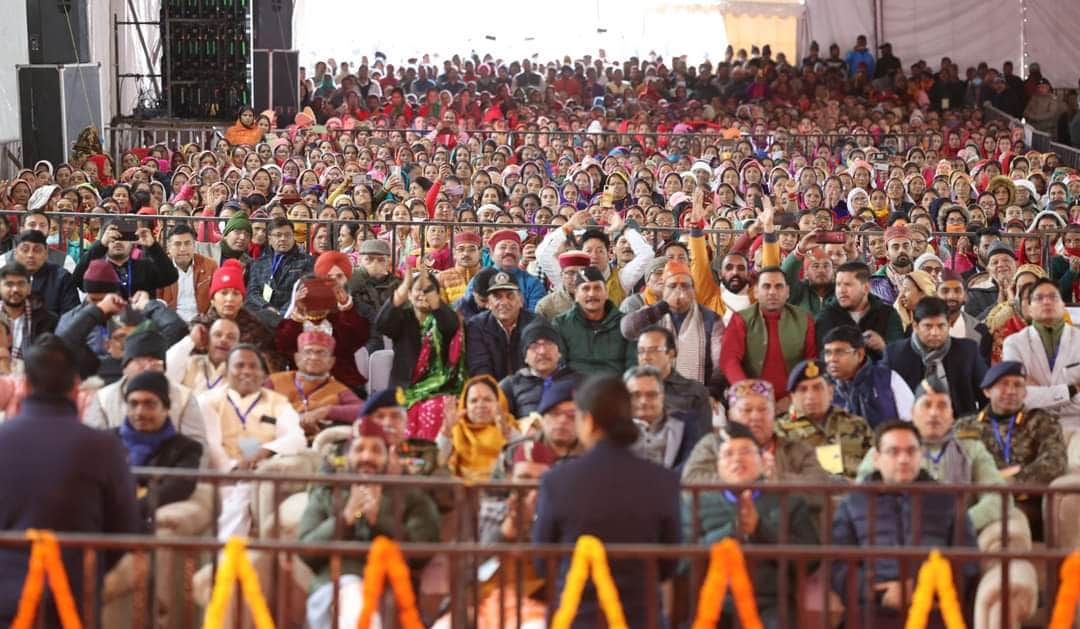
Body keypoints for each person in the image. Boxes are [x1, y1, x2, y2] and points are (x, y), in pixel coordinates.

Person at [0, 334, 140, 626]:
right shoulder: (103, 447)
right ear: (76, 389)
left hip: (7, 589)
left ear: (25, 386)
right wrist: (91, 568)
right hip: (76, 588)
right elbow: (125, 528)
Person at [532, 375, 680, 628]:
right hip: (642, 619)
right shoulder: (663, 480)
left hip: (578, 618)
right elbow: (669, 564)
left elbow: (543, 562)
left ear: (588, 421)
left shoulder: (557, 481)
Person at [298, 416, 439, 629]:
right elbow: (306, 550)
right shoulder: (328, 493)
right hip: (337, 585)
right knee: (354, 600)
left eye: (376, 450)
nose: (367, 457)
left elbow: (423, 552)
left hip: (394, 587)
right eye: (359, 449)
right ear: (348, 456)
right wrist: (345, 518)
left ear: (388, 457)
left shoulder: (411, 495)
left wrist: (378, 522)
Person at [833, 420, 977, 626]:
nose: (903, 459)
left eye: (911, 451)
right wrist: (878, 593)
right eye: (893, 452)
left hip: (935, 606)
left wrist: (924, 589)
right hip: (874, 608)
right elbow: (838, 565)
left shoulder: (947, 500)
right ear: (877, 459)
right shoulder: (854, 502)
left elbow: (968, 559)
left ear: (921, 456)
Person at [684, 421, 819, 628]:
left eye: (745, 452)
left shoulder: (790, 502)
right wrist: (733, 530)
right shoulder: (698, 503)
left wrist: (759, 529)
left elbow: (811, 561)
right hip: (715, 603)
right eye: (728, 454)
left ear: (763, 461)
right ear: (718, 465)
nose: (737, 459)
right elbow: (683, 561)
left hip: (771, 604)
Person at [856, 376, 1007, 534]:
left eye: (942, 406)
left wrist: (958, 523)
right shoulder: (889, 448)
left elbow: (997, 497)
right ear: (913, 413)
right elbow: (861, 496)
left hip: (959, 535)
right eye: (927, 405)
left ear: (952, 414)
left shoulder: (971, 449)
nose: (934, 413)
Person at [954, 361, 1068, 535]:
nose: (1011, 391)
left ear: (1025, 393)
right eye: (1004, 384)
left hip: (1021, 500)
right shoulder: (965, 426)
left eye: (1018, 385)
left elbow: (1055, 462)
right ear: (987, 391)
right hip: (974, 497)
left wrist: (1015, 480)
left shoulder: (1041, 422)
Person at [84, 326, 208, 455]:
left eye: (154, 362)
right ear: (125, 367)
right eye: (140, 361)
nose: (148, 367)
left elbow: (198, 447)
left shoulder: (184, 397)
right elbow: (92, 447)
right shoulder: (103, 398)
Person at [374, 266, 464, 440]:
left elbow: (450, 325)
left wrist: (430, 293)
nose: (423, 294)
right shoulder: (402, 319)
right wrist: (404, 287)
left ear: (437, 296)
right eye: (418, 290)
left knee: (436, 408)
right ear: (409, 295)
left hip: (440, 389)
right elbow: (381, 324)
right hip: (406, 388)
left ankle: (434, 449)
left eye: (429, 290)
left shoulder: (445, 319)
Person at [683, 379, 829, 484]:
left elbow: (820, 486)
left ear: (774, 413)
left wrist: (776, 479)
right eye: (747, 410)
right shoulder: (712, 445)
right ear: (730, 415)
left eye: (763, 409)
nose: (756, 416)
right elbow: (691, 481)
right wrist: (745, 476)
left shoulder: (797, 448)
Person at [721, 266, 817, 406]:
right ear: (755, 292)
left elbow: (811, 362)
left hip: (795, 402)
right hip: (750, 402)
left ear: (787, 292)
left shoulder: (804, 319)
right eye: (766, 286)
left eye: (779, 286)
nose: (772, 292)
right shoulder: (741, 319)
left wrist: (793, 398)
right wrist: (750, 393)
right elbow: (729, 361)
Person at [118, 370, 202, 530]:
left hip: (143, 521)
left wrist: (128, 509)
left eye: (149, 404)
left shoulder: (186, 448)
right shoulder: (108, 441)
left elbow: (176, 489)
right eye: (133, 404)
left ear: (166, 408)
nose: (140, 412)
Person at [276, 252, 371, 393]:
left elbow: (358, 338)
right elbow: (282, 348)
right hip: (302, 387)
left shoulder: (338, 319)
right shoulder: (293, 323)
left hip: (342, 385)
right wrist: (298, 314)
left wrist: (346, 306)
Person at [1002, 277, 1080, 448]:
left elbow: (1030, 397)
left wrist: (1040, 396)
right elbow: (1019, 397)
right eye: (1039, 298)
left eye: (1053, 297)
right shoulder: (1013, 344)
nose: (1046, 301)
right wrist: (1072, 389)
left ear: (1063, 305)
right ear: (1029, 308)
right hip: (1032, 430)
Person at [620, 260, 723, 385]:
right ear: (663, 289)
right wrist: (663, 306)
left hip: (698, 393)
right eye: (672, 286)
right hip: (655, 390)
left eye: (685, 286)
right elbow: (627, 330)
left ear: (693, 290)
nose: (679, 291)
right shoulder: (652, 314)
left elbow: (720, 363)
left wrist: (710, 393)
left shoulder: (711, 318)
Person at [885, 297, 988, 416]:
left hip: (961, 424)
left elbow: (986, 394)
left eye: (941, 326)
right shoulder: (895, 354)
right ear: (915, 326)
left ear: (949, 324)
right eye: (928, 326)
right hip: (911, 423)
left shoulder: (968, 351)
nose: (935, 333)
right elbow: (886, 400)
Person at [779, 359, 873, 479]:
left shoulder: (857, 424)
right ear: (792, 397)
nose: (810, 396)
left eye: (817, 388)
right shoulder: (778, 430)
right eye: (803, 389)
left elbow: (875, 467)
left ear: (830, 392)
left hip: (853, 489)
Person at [267, 330, 363, 438]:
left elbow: (365, 411)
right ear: (297, 357)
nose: (314, 357)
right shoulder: (274, 381)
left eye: (321, 353)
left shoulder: (338, 389)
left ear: (331, 362)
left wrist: (326, 412)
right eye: (308, 352)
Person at [552, 267, 636, 376]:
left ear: (606, 293)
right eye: (586, 289)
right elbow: (558, 365)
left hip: (615, 384)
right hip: (574, 385)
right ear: (576, 294)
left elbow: (633, 367)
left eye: (597, 288)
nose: (592, 294)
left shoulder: (625, 324)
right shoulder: (561, 324)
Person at [823, 325, 914, 424]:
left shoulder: (888, 379)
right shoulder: (823, 387)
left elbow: (912, 421)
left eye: (839, 352)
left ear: (860, 355)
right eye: (828, 353)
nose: (832, 359)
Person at [815, 261, 905, 359]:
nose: (841, 290)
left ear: (866, 287)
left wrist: (883, 347)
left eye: (848, 284)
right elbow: (822, 357)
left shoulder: (887, 314)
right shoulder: (827, 315)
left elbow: (899, 356)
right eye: (838, 284)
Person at [438, 375, 520, 481]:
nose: (480, 405)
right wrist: (446, 431)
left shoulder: (509, 427)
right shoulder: (455, 430)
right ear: (465, 406)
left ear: (499, 402)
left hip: (501, 489)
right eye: (474, 401)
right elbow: (436, 462)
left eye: (487, 399)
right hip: (460, 489)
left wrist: (507, 432)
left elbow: (527, 459)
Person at [632, 326, 712, 433]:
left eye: (653, 350)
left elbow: (704, 437)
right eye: (641, 351)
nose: (645, 356)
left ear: (671, 354)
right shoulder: (626, 390)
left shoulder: (696, 392)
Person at [73, 218, 179, 299]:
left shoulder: (145, 267)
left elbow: (170, 277)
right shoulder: (97, 269)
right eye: (113, 238)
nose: (118, 242)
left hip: (140, 318)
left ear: (132, 241)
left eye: (124, 237)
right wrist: (100, 245)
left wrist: (153, 246)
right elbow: (76, 280)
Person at [498, 319, 581, 417]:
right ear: (525, 357)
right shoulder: (511, 385)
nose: (542, 351)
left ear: (559, 353)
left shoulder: (580, 381)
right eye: (534, 346)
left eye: (548, 344)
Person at [625, 365, 702, 469]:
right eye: (635, 395)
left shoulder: (686, 425)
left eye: (651, 394)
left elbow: (690, 464)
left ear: (662, 396)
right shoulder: (612, 428)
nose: (643, 401)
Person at [466, 270, 536, 381]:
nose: (504, 302)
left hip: (528, 387)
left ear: (521, 300)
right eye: (497, 297)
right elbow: (479, 368)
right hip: (492, 388)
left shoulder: (535, 324)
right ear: (488, 303)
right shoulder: (477, 326)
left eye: (510, 296)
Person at [245, 217, 315, 327]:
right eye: (278, 235)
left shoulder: (307, 261)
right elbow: (252, 293)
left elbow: (301, 292)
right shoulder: (258, 263)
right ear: (269, 238)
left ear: (293, 237)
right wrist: (267, 308)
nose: (283, 239)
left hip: (291, 316)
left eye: (287, 235)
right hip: (263, 316)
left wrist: (281, 313)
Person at [0, 262, 57, 367]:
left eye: (21, 284)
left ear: (29, 288)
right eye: (9, 284)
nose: (15, 289)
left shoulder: (48, 320)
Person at [11, 230, 79, 317]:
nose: (30, 255)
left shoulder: (62, 277)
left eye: (37, 250)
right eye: (25, 250)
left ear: (46, 253)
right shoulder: (6, 277)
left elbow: (71, 317)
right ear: (15, 253)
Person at [166, 317, 240, 395]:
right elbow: (165, 375)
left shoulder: (240, 374)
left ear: (237, 346)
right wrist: (190, 340)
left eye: (231, 337)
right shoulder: (189, 362)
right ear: (207, 340)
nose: (223, 340)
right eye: (218, 335)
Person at [161, 223, 217, 323]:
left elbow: (216, 300)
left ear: (194, 245)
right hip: (171, 324)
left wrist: (207, 320)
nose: (183, 249)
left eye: (187, 243)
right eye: (177, 244)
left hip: (202, 323)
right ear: (169, 247)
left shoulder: (210, 266)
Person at [939, 269, 992, 363]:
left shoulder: (980, 330)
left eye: (957, 291)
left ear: (965, 296)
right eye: (945, 291)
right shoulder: (921, 327)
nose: (951, 296)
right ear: (935, 295)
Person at [485, 229, 545, 311]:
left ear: (520, 254)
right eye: (503, 247)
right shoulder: (480, 280)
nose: (508, 251)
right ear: (492, 254)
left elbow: (535, 315)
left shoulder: (533, 283)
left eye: (513, 248)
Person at [781, 238, 835, 316]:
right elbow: (784, 277)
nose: (821, 270)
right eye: (815, 266)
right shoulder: (797, 291)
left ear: (833, 271)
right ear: (806, 273)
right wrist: (799, 251)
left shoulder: (839, 292)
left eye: (826, 266)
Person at [965, 242, 1018, 318]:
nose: (1000, 264)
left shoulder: (1027, 287)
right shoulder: (974, 293)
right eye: (995, 262)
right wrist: (997, 305)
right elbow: (972, 324)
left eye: (1006, 260)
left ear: (1016, 264)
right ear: (988, 269)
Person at [535, 250, 590, 322]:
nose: (576, 278)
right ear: (562, 275)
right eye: (571, 273)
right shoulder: (545, 306)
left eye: (582, 273)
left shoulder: (599, 301)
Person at [869, 225, 916, 304]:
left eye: (906, 246)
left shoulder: (924, 277)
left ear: (912, 249)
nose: (901, 250)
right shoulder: (874, 283)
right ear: (887, 253)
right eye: (895, 247)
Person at [437, 231, 484, 304]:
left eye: (471, 250)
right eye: (461, 249)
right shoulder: (442, 278)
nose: (466, 254)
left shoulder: (489, 276)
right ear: (454, 253)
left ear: (480, 253)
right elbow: (440, 307)